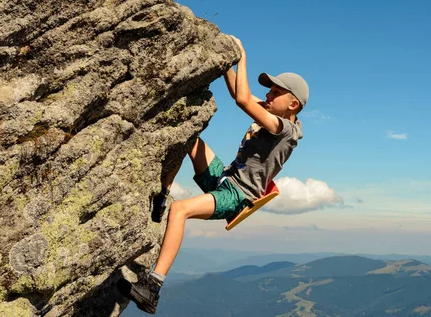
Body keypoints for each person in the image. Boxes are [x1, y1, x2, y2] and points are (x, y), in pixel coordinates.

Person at [117, 36, 309, 314]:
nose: (267, 96)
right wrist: (224, 64)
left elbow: (243, 99)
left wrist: (241, 55)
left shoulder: (284, 129)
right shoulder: (277, 117)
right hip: (225, 177)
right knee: (188, 136)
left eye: (274, 93)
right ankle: (163, 193)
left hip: (236, 195)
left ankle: (153, 289)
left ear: (292, 105)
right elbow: (236, 92)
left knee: (180, 211)